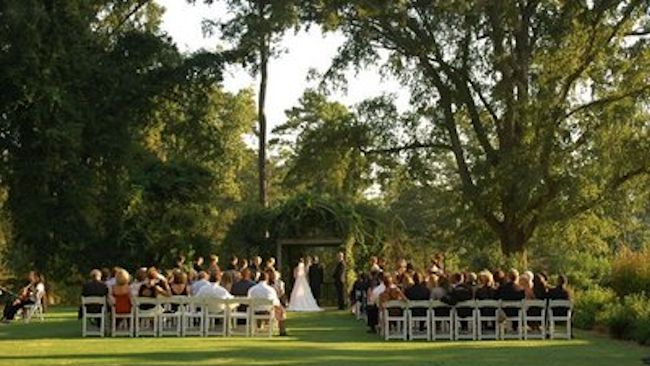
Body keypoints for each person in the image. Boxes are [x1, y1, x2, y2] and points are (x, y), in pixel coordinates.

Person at [248, 270, 288, 336]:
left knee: (261, 308)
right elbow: (276, 302)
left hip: (254, 311)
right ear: (267, 279)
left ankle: (259, 326)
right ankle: (282, 331)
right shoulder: (270, 289)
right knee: (281, 310)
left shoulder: (252, 289)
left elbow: (249, 300)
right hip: (267, 311)